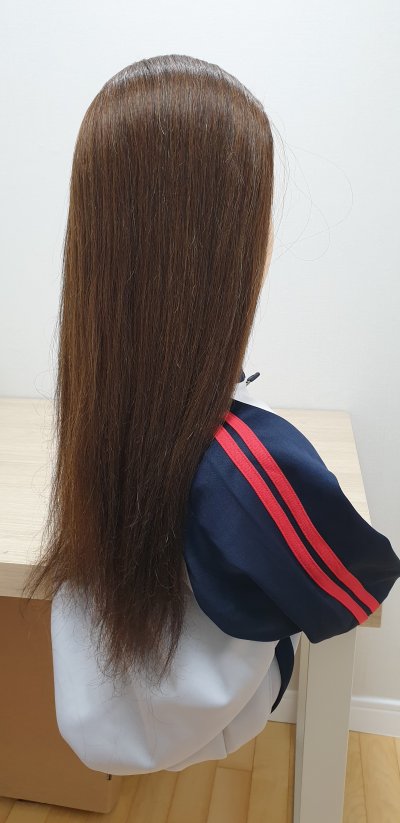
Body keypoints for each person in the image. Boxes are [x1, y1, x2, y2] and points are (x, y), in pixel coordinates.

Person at [22, 54, 400, 776]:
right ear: (231, 248)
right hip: (198, 721)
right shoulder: (253, 463)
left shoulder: (97, 412)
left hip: (98, 711)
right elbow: (356, 588)